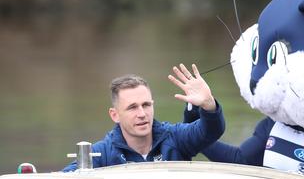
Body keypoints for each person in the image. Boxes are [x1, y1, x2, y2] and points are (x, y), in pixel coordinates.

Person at [63, 64, 225, 171]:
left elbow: (210, 131)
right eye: (132, 107)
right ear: (115, 115)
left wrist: (209, 104)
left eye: (146, 105)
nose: (142, 114)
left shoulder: (175, 138)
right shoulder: (102, 153)